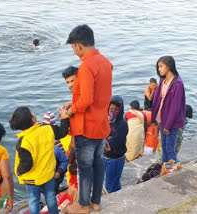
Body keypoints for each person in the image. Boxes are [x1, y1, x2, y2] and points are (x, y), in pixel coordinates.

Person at [63, 24, 112, 213]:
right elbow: (98, 94)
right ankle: (96, 201)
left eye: (73, 47)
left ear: (78, 45)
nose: (74, 51)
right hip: (101, 123)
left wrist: (69, 111)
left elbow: (85, 101)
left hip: (86, 127)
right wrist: (72, 103)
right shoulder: (105, 62)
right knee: (98, 163)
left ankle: (83, 205)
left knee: (84, 167)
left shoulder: (85, 67)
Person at [9, 106, 69, 214]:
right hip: (48, 173)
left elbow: (26, 165)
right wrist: (64, 118)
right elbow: (63, 132)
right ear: (33, 119)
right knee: (50, 197)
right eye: (32, 113)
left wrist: (19, 172)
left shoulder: (23, 142)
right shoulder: (48, 129)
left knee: (34, 200)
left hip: (32, 179)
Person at [151, 56, 185, 168]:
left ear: (169, 67)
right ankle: (165, 169)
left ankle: (173, 169)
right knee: (164, 147)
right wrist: (154, 119)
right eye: (158, 67)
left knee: (170, 148)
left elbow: (175, 108)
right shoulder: (163, 80)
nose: (159, 69)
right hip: (162, 119)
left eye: (161, 66)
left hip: (170, 122)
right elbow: (157, 100)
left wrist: (168, 126)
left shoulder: (177, 84)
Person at [61, 66, 79, 201]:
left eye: (73, 81)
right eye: (67, 82)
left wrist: (65, 116)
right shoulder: (78, 96)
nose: (70, 85)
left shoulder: (84, 98)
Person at [41, 111, 70, 195]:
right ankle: (56, 191)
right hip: (57, 170)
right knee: (55, 183)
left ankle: (51, 190)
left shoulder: (39, 139)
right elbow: (64, 158)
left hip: (45, 171)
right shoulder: (57, 142)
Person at [104, 95, 128, 193]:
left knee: (110, 183)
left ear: (120, 110)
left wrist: (106, 139)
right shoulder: (106, 121)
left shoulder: (122, 124)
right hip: (106, 157)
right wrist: (107, 138)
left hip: (116, 158)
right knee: (114, 182)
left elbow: (115, 142)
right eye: (111, 108)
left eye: (116, 109)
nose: (113, 111)